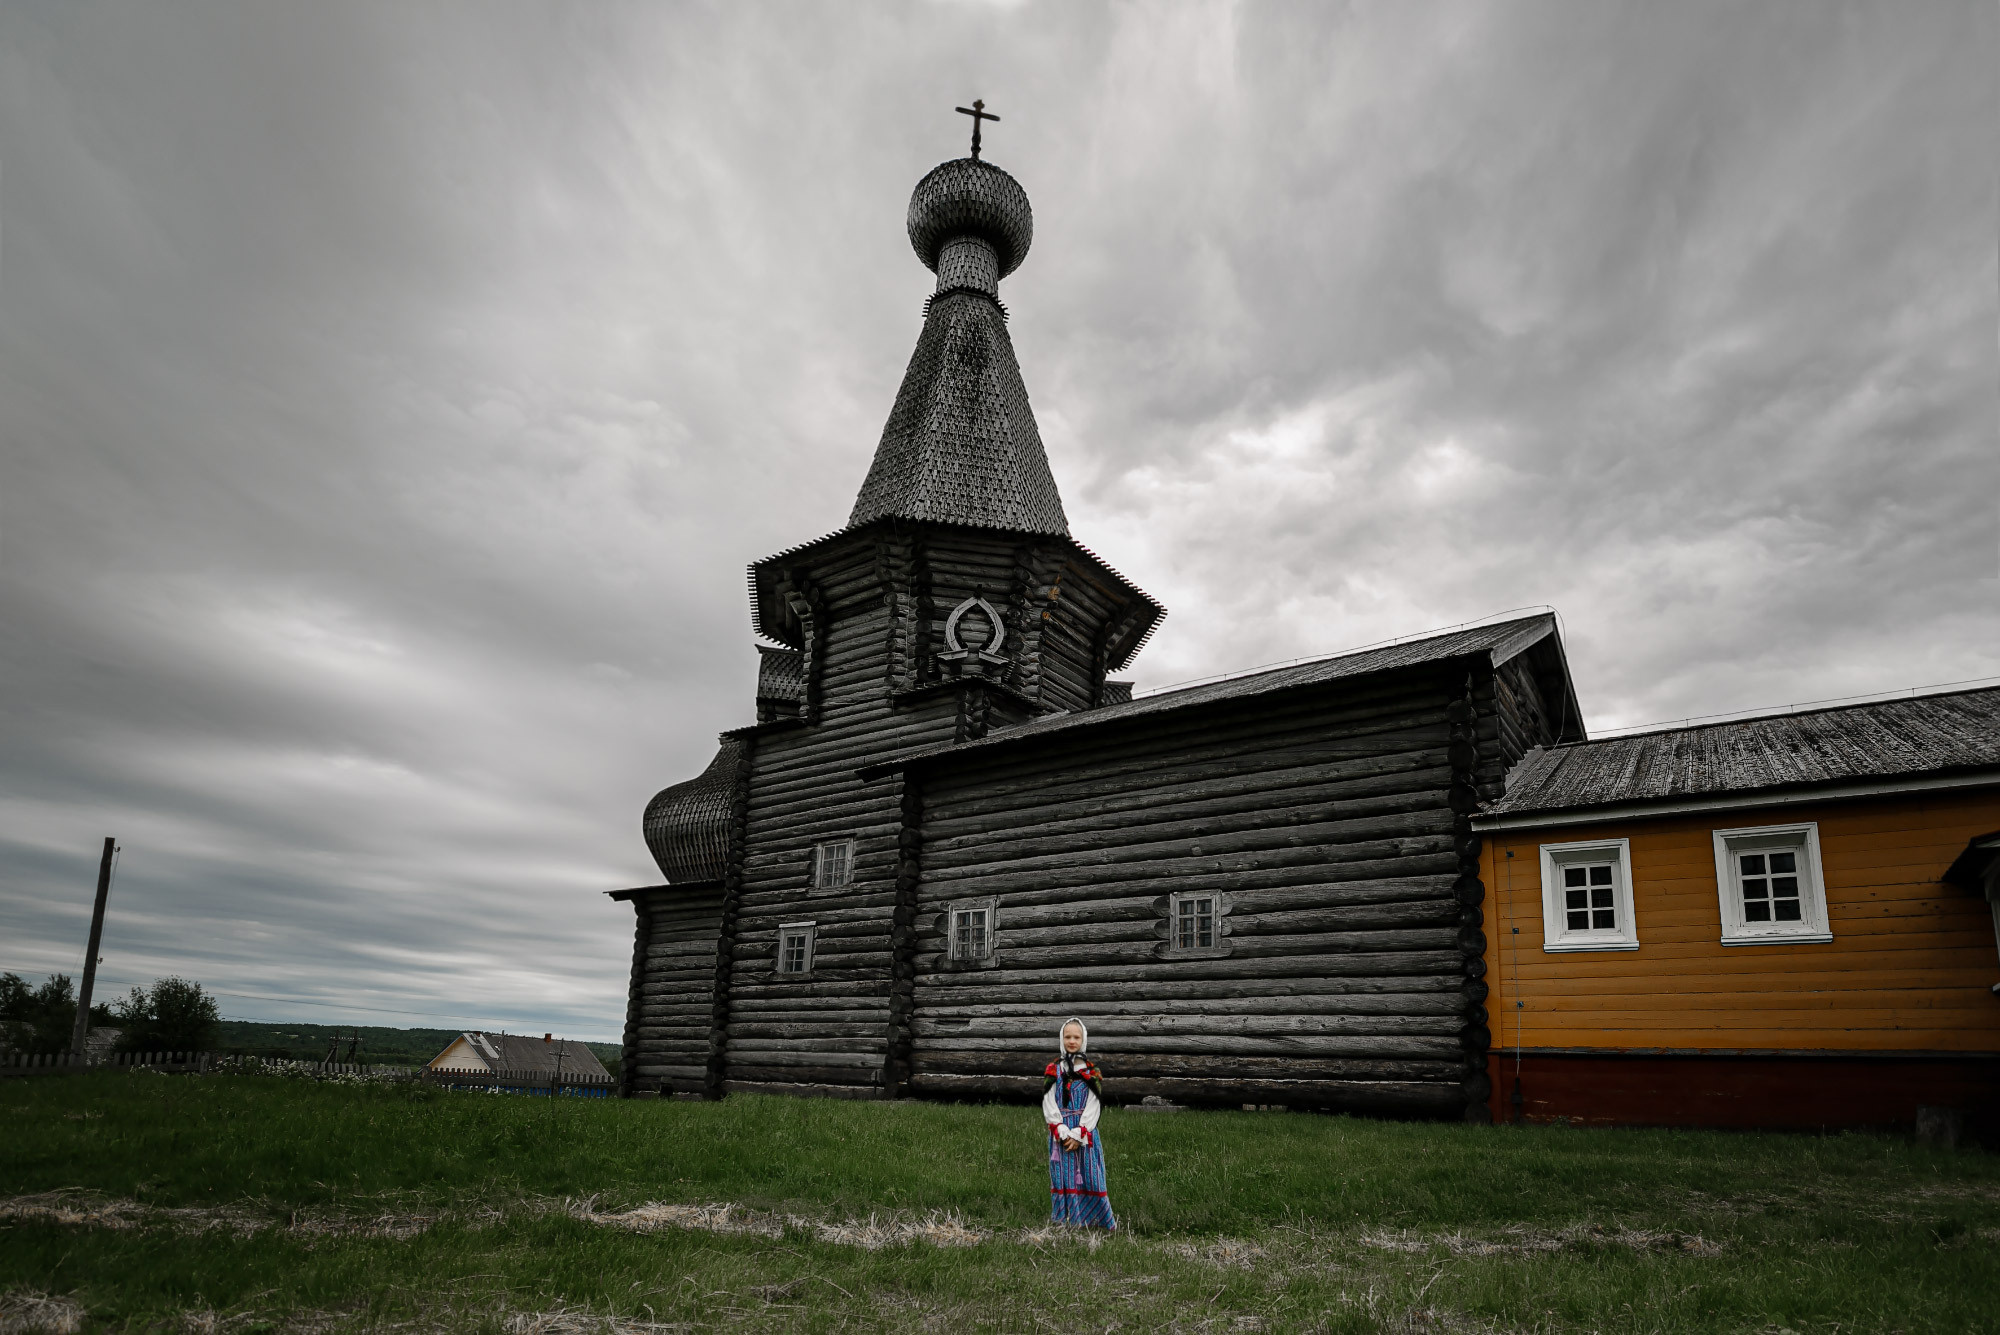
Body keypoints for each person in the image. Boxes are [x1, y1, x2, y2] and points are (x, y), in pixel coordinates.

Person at [1042, 1017, 1116, 1229]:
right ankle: (1065, 1220)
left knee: (1089, 1175)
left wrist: (1079, 1133)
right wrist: (1060, 1129)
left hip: (1084, 1132)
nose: (1072, 1041)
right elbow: (1049, 1101)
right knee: (1062, 1176)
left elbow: (1094, 1106)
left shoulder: (1092, 1072)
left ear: (1083, 1039)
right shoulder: (1053, 1070)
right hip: (1061, 1133)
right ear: (1061, 1039)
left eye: (1076, 1037)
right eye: (1067, 1037)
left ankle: (1096, 1220)